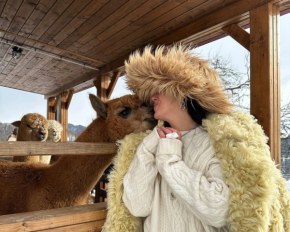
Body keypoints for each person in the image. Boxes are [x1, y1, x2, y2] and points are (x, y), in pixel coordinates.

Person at [122, 44, 233, 232]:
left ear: (183, 93)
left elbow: (220, 211)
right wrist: (147, 151)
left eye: (160, 88)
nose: (152, 97)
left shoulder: (217, 142)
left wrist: (169, 161)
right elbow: (137, 206)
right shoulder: (150, 145)